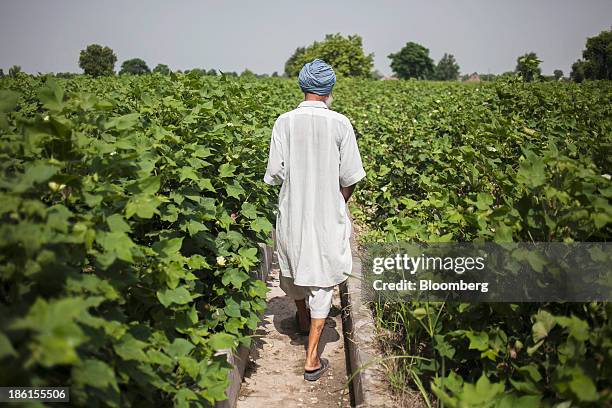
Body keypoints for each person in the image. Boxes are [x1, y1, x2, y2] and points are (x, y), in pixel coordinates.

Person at [263, 58, 366, 381]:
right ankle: (311, 359)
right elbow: (350, 175)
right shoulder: (340, 124)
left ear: (303, 87)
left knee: (293, 269)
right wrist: (339, 200)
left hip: (293, 210)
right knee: (322, 279)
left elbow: (276, 173)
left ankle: (303, 320)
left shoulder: (284, 122)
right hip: (326, 213)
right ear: (328, 90)